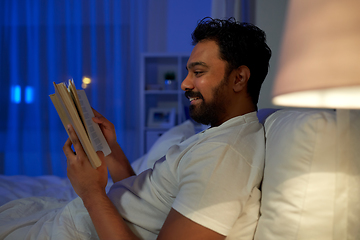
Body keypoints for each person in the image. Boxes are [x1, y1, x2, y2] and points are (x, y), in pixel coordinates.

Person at [64, 17, 271, 239]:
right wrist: (111, 148)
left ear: (239, 78)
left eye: (198, 72)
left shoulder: (224, 156)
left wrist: (91, 192)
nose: (184, 84)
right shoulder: (221, 134)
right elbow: (143, 203)